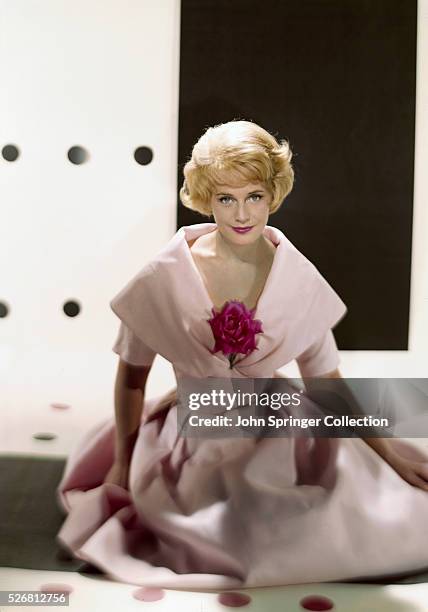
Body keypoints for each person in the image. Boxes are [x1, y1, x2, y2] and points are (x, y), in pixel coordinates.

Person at [56, 120, 428, 589]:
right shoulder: (163, 278)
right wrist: (122, 463)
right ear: (205, 197)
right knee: (227, 526)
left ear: (273, 195)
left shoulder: (296, 276)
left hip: (280, 430)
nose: (242, 213)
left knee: (338, 521)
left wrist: (389, 454)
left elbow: (325, 380)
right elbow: (132, 378)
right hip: (194, 438)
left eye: (254, 195)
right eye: (225, 198)